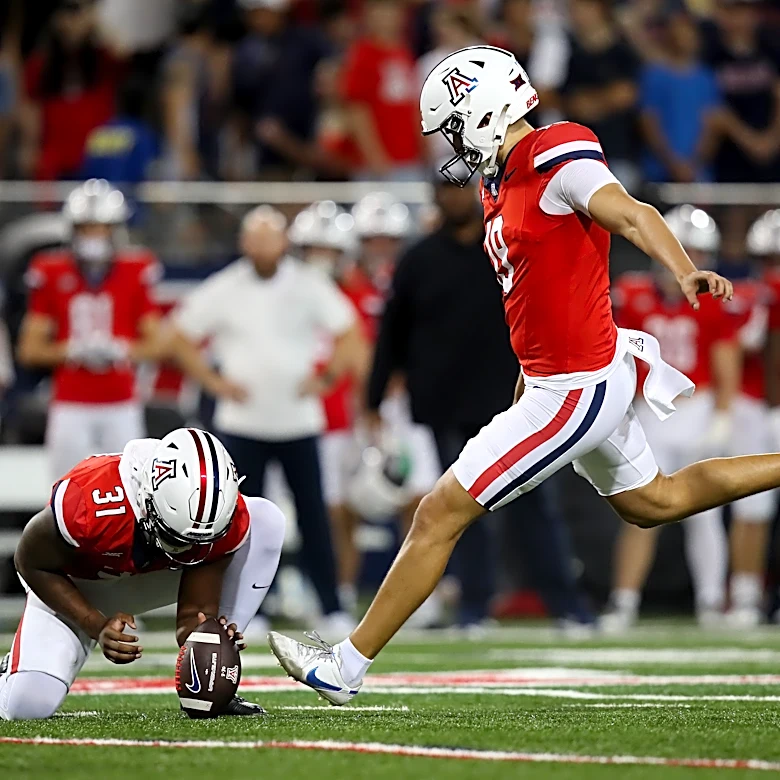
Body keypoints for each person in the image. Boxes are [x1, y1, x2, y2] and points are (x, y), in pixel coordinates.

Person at [267, 45, 780, 706]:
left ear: (483, 113)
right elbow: (531, 295)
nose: (448, 144)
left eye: (453, 125)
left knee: (438, 511)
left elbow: (630, 213)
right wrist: (524, 380)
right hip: (563, 377)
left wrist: (682, 269)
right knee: (656, 503)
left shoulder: (555, 152)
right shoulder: (496, 180)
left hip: (577, 385)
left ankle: (345, 664)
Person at [366, 164, 595, 631]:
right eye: (442, 191)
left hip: (513, 402)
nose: (451, 199)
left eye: (457, 189)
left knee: (536, 505)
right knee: (462, 511)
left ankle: (567, 605)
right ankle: (474, 606)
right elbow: (392, 332)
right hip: (447, 405)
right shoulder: (419, 259)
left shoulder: (504, 248)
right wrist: (373, 398)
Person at [0, 428, 285, 720]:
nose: (188, 549)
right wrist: (95, 624)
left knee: (265, 520)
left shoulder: (217, 516)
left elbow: (193, 614)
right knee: (29, 705)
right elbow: (29, 561)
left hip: (156, 577)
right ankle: (11, 669)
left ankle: (214, 686)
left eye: (200, 542)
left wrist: (208, 640)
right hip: (79, 586)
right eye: (176, 538)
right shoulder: (90, 503)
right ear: (147, 501)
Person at [168, 205, 361, 636]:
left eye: (269, 238)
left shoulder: (308, 284)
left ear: (283, 242)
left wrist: (327, 377)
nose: (262, 247)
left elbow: (349, 333)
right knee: (238, 523)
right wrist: (213, 382)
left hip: (297, 422)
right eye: (255, 238)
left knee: (314, 517)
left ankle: (330, 605)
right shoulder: (226, 287)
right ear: (244, 244)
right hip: (242, 424)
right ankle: (245, 611)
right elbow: (178, 335)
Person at [602, 207, 738, 632]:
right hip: (650, 412)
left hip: (696, 409)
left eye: (697, 250)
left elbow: (725, 359)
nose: (689, 257)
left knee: (705, 514)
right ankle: (623, 601)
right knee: (640, 507)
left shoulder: (713, 301)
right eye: (684, 248)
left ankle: (712, 601)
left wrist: (722, 415)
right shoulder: (634, 294)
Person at [18, 179, 165, 480]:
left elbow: (160, 344)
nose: (94, 235)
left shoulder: (135, 270)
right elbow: (29, 350)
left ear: (116, 230)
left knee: (135, 492)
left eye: (101, 227)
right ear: (72, 231)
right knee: (64, 491)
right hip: (71, 403)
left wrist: (121, 349)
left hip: (121, 402)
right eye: (87, 227)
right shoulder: (50, 270)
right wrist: (71, 350)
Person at [19, 0, 125, 180]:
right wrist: (29, 146)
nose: (73, 20)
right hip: (55, 160)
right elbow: (30, 107)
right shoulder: (40, 64)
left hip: (98, 158)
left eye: (77, 11)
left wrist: (93, 21)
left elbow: (122, 53)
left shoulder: (103, 59)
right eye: (67, 10)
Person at [560, 0, 640, 189]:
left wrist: (593, 102)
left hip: (618, 155)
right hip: (577, 158)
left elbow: (625, 95)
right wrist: (606, 99)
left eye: (581, 8)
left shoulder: (623, 52)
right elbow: (572, 103)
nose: (575, 15)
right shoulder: (571, 55)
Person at [342, 0, 423, 181]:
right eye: (380, 11)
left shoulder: (404, 52)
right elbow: (357, 110)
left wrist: (422, 151)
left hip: (409, 159)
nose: (387, 17)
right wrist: (375, 157)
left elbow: (412, 108)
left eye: (392, 10)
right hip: (378, 165)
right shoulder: (362, 55)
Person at [639, 12, 723, 183]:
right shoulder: (654, 76)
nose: (684, 39)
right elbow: (648, 122)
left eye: (689, 33)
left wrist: (694, 164)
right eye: (679, 33)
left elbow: (713, 125)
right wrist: (672, 164)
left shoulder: (706, 78)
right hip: (659, 173)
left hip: (699, 174)